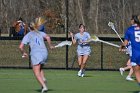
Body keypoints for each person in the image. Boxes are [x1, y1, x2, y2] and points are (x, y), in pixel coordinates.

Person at [19, 17, 54, 93]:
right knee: (39, 67)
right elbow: (48, 37)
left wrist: (23, 53)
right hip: (45, 53)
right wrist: (50, 45)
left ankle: (44, 87)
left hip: (36, 54)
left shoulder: (28, 35)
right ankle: (43, 78)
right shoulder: (40, 33)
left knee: (36, 72)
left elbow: (21, 47)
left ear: (29, 28)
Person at [120, 15, 140, 88]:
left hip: (136, 55)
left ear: (133, 21)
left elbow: (125, 43)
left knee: (137, 73)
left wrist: (121, 47)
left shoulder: (130, 29)